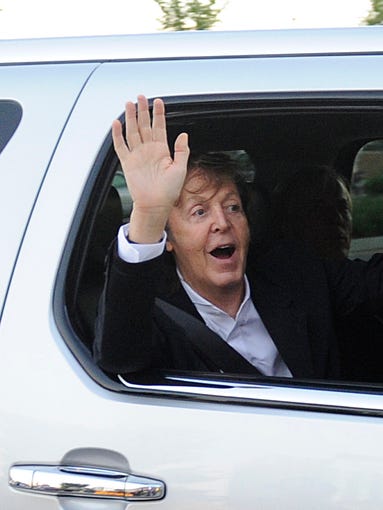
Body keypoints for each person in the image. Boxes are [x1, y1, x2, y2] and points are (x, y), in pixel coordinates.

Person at [93, 95, 383, 380]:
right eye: (199, 212)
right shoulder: (155, 315)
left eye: (233, 207)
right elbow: (120, 357)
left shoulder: (296, 272)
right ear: (167, 238)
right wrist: (149, 214)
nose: (222, 222)